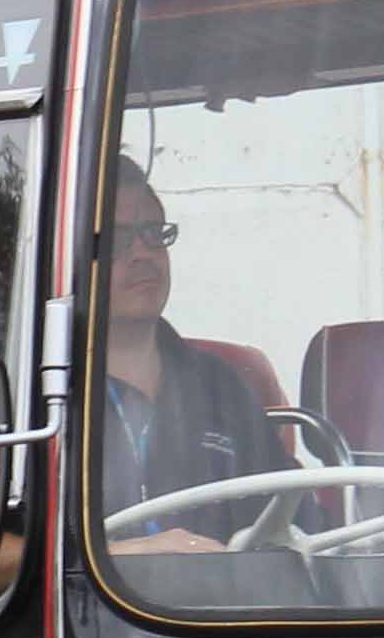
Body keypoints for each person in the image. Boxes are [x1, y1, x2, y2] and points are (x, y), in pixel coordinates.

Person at [90, 162, 296, 556]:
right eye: (116, 241)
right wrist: (129, 556)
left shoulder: (222, 385)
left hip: (218, 615)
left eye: (154, 234)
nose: (142, 254)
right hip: (87, 613)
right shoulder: (25, 384)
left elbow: (293, 521)